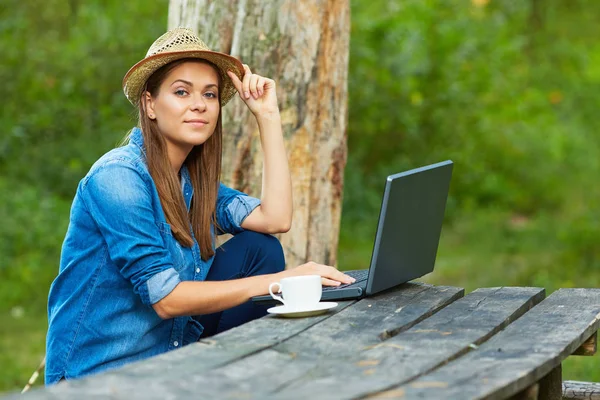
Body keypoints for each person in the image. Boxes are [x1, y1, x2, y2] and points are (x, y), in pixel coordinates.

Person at [44, 28, 355, 385]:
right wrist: (280, 282)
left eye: (209, 94)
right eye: (181, 92)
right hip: (98, 375)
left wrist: (267, 116)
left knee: (259, 248)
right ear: (150, 104)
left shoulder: (192, 183)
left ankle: (224, 376)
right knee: (263, 271)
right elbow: (166, 300)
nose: (199, 104)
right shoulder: (117, 179)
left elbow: (276, 219)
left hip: (169, 353)